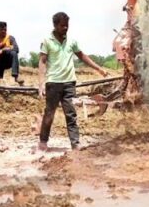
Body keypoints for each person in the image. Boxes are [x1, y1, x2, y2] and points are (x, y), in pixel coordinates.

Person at [38, 12, 110, 151]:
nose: (65, 28)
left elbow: (82, 56)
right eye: (62, 26)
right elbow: (42, 61)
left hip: (69, 83)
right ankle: (43, 141)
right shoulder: (47, 41)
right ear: (55, 25)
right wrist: (41, 84)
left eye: (67, 25)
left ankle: (75, 144)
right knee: (49, 114)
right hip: (53, 83)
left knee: (71, 114)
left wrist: (99, 69)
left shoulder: (72, 41)